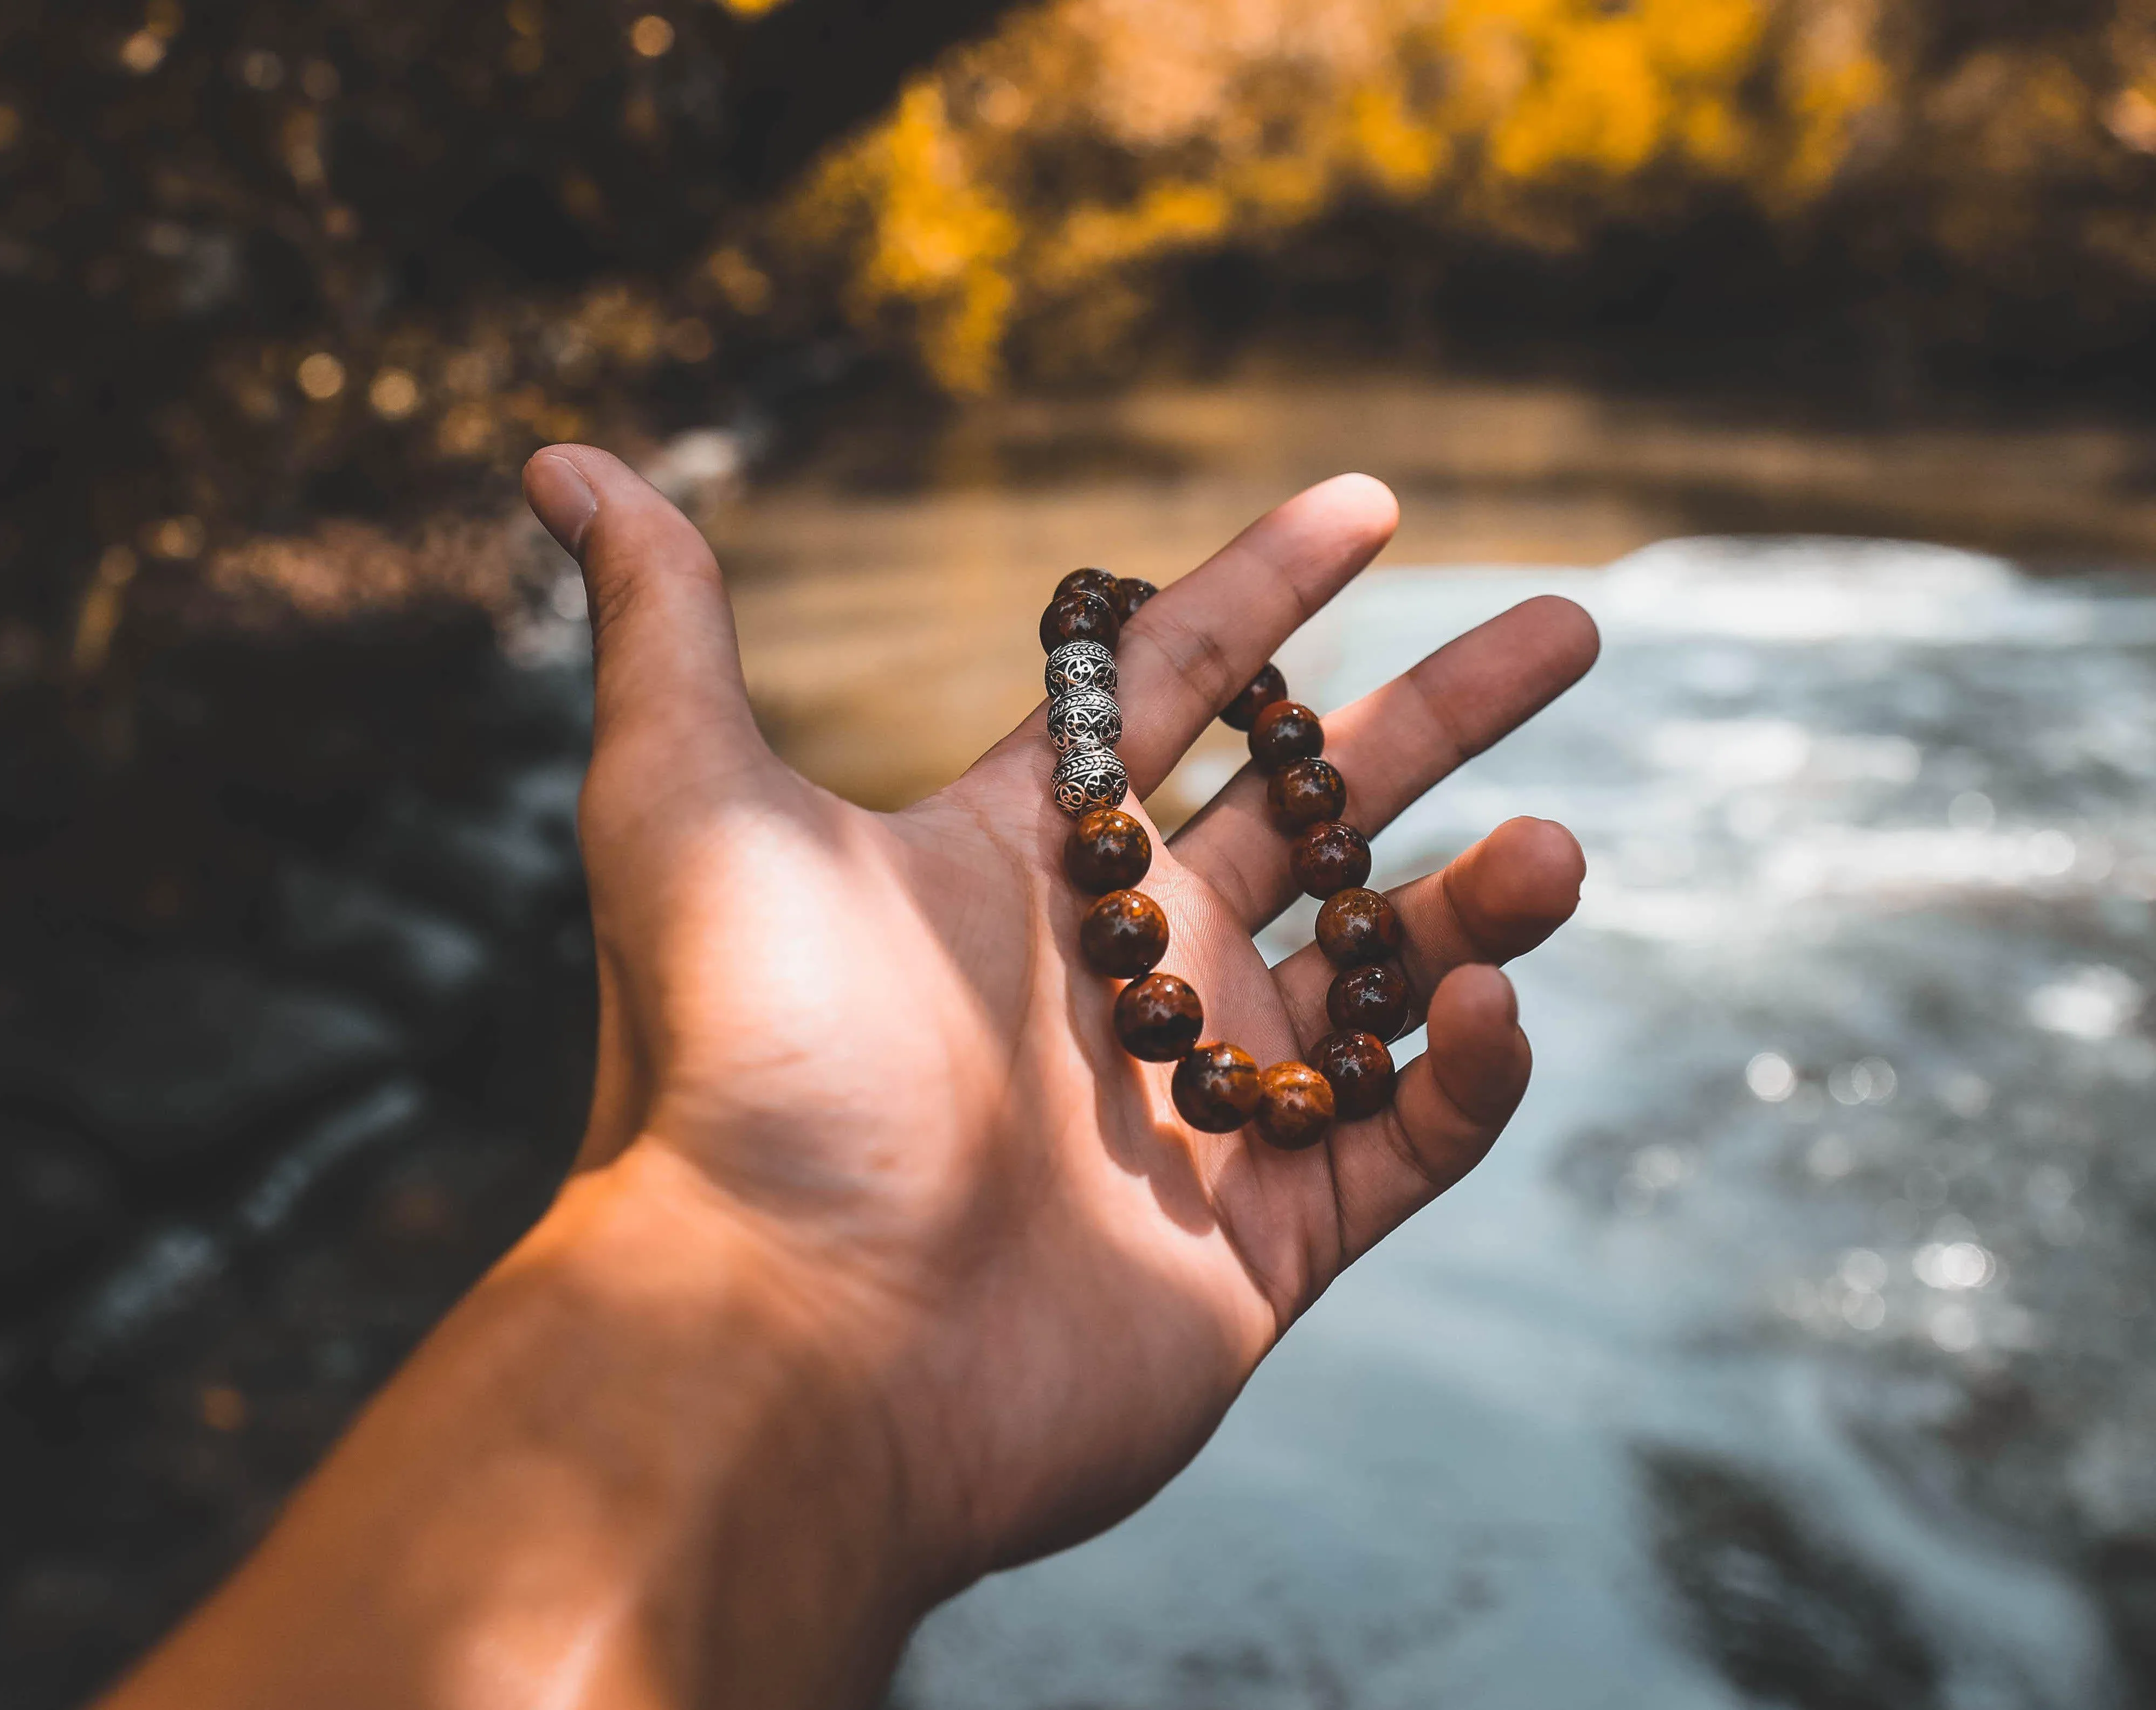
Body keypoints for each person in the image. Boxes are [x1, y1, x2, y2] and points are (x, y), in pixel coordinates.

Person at [101, 446, 1600, 1710]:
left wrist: (814, 1345)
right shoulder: (1171, 910)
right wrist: (818, 1309)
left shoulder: (1148, 832)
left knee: (1331, 892)